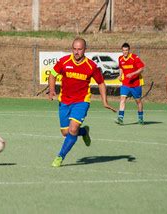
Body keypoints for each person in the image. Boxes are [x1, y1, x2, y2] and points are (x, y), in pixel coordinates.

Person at [48, 37, 116, 167]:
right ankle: (84, 131)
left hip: (81, 101)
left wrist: (105, 101)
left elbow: (101, 83)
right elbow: (52, 74)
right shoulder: (64, 61)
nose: (76, 52)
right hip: (64, 101)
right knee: (65, 132)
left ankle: (60, 157)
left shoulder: (91, 66)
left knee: (73, 130)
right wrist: (51, 90)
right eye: (74, 49)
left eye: (79, 49)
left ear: (85, 50)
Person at [115, 43, 145, 125]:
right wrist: (120, 75)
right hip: (126, 83)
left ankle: (140, 118)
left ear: (129, 50)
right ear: (122, 50)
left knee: (138, 101)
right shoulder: (120, 58)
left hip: (136, 84)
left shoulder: (134, 57)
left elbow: (141, 68)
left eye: (126, 50)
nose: (125, 52)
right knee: (122, 99)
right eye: (123, 50)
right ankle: (120, 118)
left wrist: (132, 74)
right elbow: (121, 67)